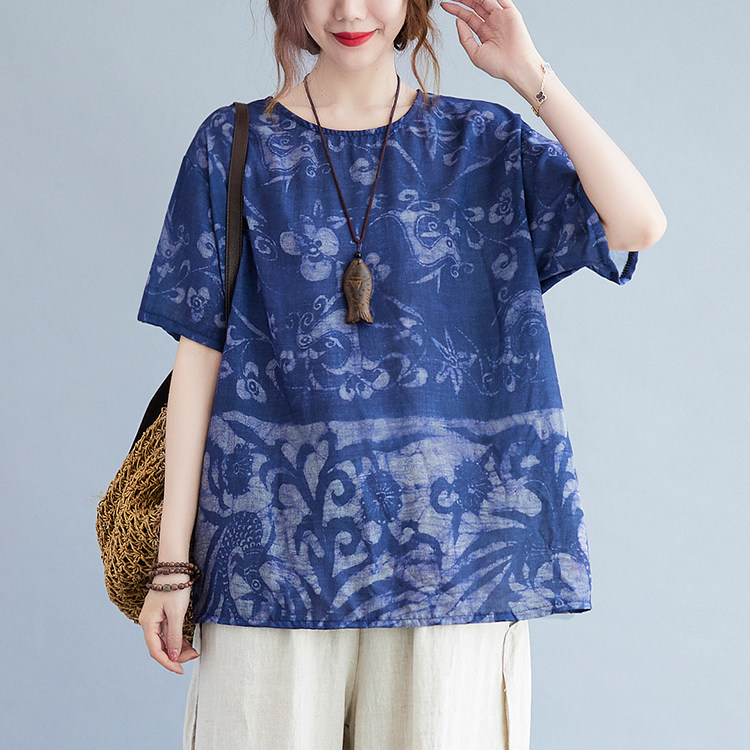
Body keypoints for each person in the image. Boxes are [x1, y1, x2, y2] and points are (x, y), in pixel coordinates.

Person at [136, 1, 667, 748]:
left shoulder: (483, 142)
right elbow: (199, 359)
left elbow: (637, 224)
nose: (350, 11)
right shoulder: (232, 145)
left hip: (452, 565)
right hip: (270, 567)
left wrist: (527, 73)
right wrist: (171, 566)